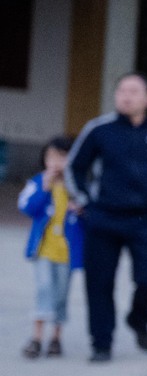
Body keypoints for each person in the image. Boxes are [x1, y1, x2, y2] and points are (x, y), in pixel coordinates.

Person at [66, 72, 147, 361]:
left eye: (133, 91)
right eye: (121, 91)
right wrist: (83, 201)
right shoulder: (99, 129)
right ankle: (101, 344)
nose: (125, 96)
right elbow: (74, 167)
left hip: (146, 220)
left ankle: (138, 319)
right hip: (103, 218)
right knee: (100, 284)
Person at [19, 135, 79, 359]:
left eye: (61, 157)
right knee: (44, 288)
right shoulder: (38, 181)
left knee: (61, 295)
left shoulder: (76, 184)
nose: (55, 163)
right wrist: (43, 189)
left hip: (66, 253)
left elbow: (89, 212)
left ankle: (56, 337)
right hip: (43, 249)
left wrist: (81, 209)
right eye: (50, 157)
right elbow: (26, 207)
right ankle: (36, 338)